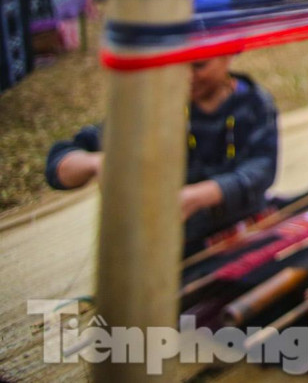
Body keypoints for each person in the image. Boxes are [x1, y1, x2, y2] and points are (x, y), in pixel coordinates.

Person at [46, 55, 279, 255]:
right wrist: (97, 162)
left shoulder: (254, 104)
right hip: (174, 248)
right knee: (54, 310)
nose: (187, 76)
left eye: (199, 65)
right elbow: (59, 164)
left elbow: (261, 169)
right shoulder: (156, 108)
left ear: (228, 54)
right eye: (178, 66)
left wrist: (198, 196)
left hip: (244, 232)